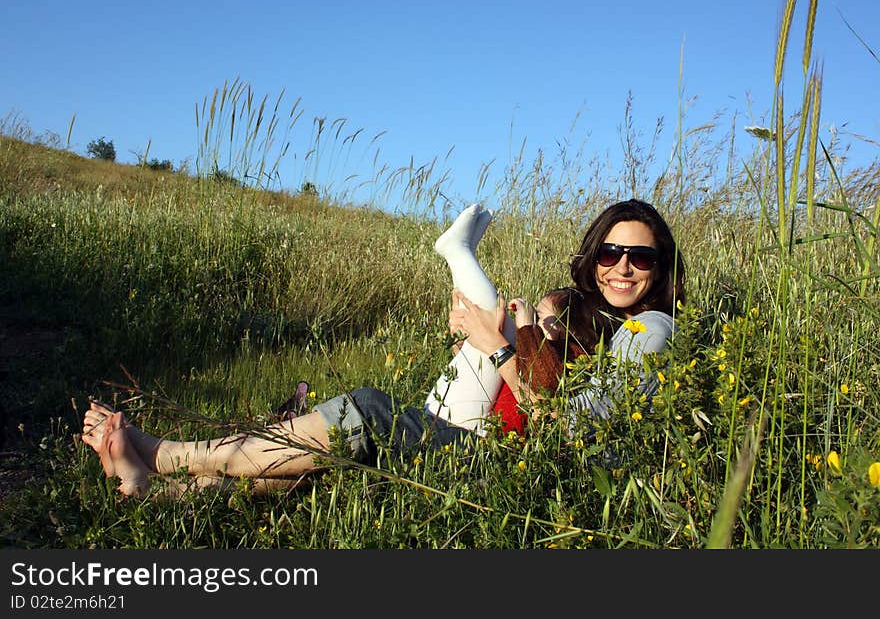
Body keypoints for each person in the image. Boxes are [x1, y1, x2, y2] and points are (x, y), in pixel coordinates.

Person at [80, 198, 686, 497]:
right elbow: (537, 378)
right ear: (594, 255)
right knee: (330, 456)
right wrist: (505, 340)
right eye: (611, 252)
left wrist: (498, 349)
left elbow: (569, 430)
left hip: (518, 473)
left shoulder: (653, 330)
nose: (623, 268)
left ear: (661, 270)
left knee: (365, 412)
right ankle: (163, 493)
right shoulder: (585, 312)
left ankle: (163, 456)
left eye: (641, 257)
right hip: (488, 437)